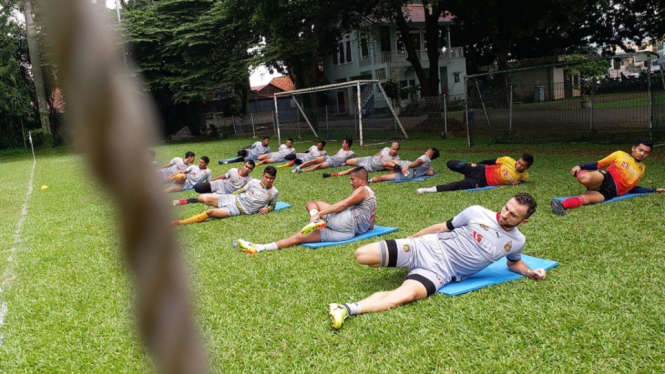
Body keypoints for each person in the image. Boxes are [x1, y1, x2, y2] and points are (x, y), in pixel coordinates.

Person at [327, 193, 546, 330]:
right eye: (506, 207)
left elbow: (513, 263)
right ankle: (405, 260)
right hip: (428, 246)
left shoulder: (517, 241)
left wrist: (530, 272)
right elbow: (443, 227)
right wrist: (413, 239)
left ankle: (345, 308)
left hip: (441, 272)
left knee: (405, 296)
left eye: (513, 215)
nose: (505, 215)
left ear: (523, 221)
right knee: (363, 255)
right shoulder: (476, 212)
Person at [237, 167, 376, 254]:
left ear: (362, 179)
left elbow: (343, 204)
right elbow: (370, 224)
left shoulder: (362, 189)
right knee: (298, 238)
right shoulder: (372, 195)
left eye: (353, 179)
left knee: (312, 203)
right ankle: (260, 248)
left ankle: (314, 218)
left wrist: (320, 214)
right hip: (348, 233)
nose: (351, 182)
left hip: (346, 222)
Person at [550, 139, 664, 215]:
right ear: (633, 148)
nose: (642, 154)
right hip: (606, 178)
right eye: (640, 150)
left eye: (646, 152)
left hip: (611, 192)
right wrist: (580, 166)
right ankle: (578, 172)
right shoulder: (620, 154)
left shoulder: (642, 168)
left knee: (586, 199)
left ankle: (560, 206)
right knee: (585, 178)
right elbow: (598, 164)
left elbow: (632, 188)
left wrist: (653, 190)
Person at [172, 166, 279, 225]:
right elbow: (242, 190)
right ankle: (178, 202)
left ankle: (178, 222)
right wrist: (230, 196)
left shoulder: (274, 192)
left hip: (239, 210)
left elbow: (273, 205)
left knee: (209, 212)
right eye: (266, 177)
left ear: (274, 178)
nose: (268, 180)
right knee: (201, 197)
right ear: (263, 175)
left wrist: (268, 209)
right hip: (233, 198)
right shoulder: (254, 181)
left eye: (271, 178)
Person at [416, 154, 533, 194]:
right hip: (480, 169)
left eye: (522, 165)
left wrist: (516, 183)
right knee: (451, 163)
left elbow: (518, 181)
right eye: (518, 162)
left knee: (456, 186)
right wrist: (476, 165)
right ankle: (466, 166)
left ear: (527, 167)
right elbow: (489, 161)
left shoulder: (524, 176)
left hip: (481, 182)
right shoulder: (507, 159)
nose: (518, 165)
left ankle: (427, 190)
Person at [172, 160, 255, 205]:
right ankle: (211, 191)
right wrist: (212, 180)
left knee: (202, 198)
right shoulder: (233, 170)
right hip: (219, 184)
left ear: (252, 170)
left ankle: (179, 202)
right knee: (198, 188)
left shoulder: (249, 180)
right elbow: (223, 176)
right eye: (246, 166)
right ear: (243, 165)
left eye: (250, 168)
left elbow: (248, 192)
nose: (247, 169)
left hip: (224, 193)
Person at [323, 142, 400, 178]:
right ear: (390, 147)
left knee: (350, 170)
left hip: (370, 167)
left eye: (396, 150)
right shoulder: (386, 149)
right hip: (368, 159)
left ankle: (330, 175)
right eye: (393, 149)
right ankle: (344, 163)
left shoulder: (396, 159)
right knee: (348, 161)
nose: (394, 151)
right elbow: (378, 154)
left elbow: (390, 167)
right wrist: (372, 157)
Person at [368, 147, 440, 183]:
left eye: (428, 150)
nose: (426, 151)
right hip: (410, 174)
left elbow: (418, 162)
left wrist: (408, 166)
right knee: (385, 164)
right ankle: (398, 168)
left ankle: (369, 180)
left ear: (430, 153)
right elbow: (431, 173)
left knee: (384, 175)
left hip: (408, 168)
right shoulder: (429, 165)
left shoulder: (425, 157)